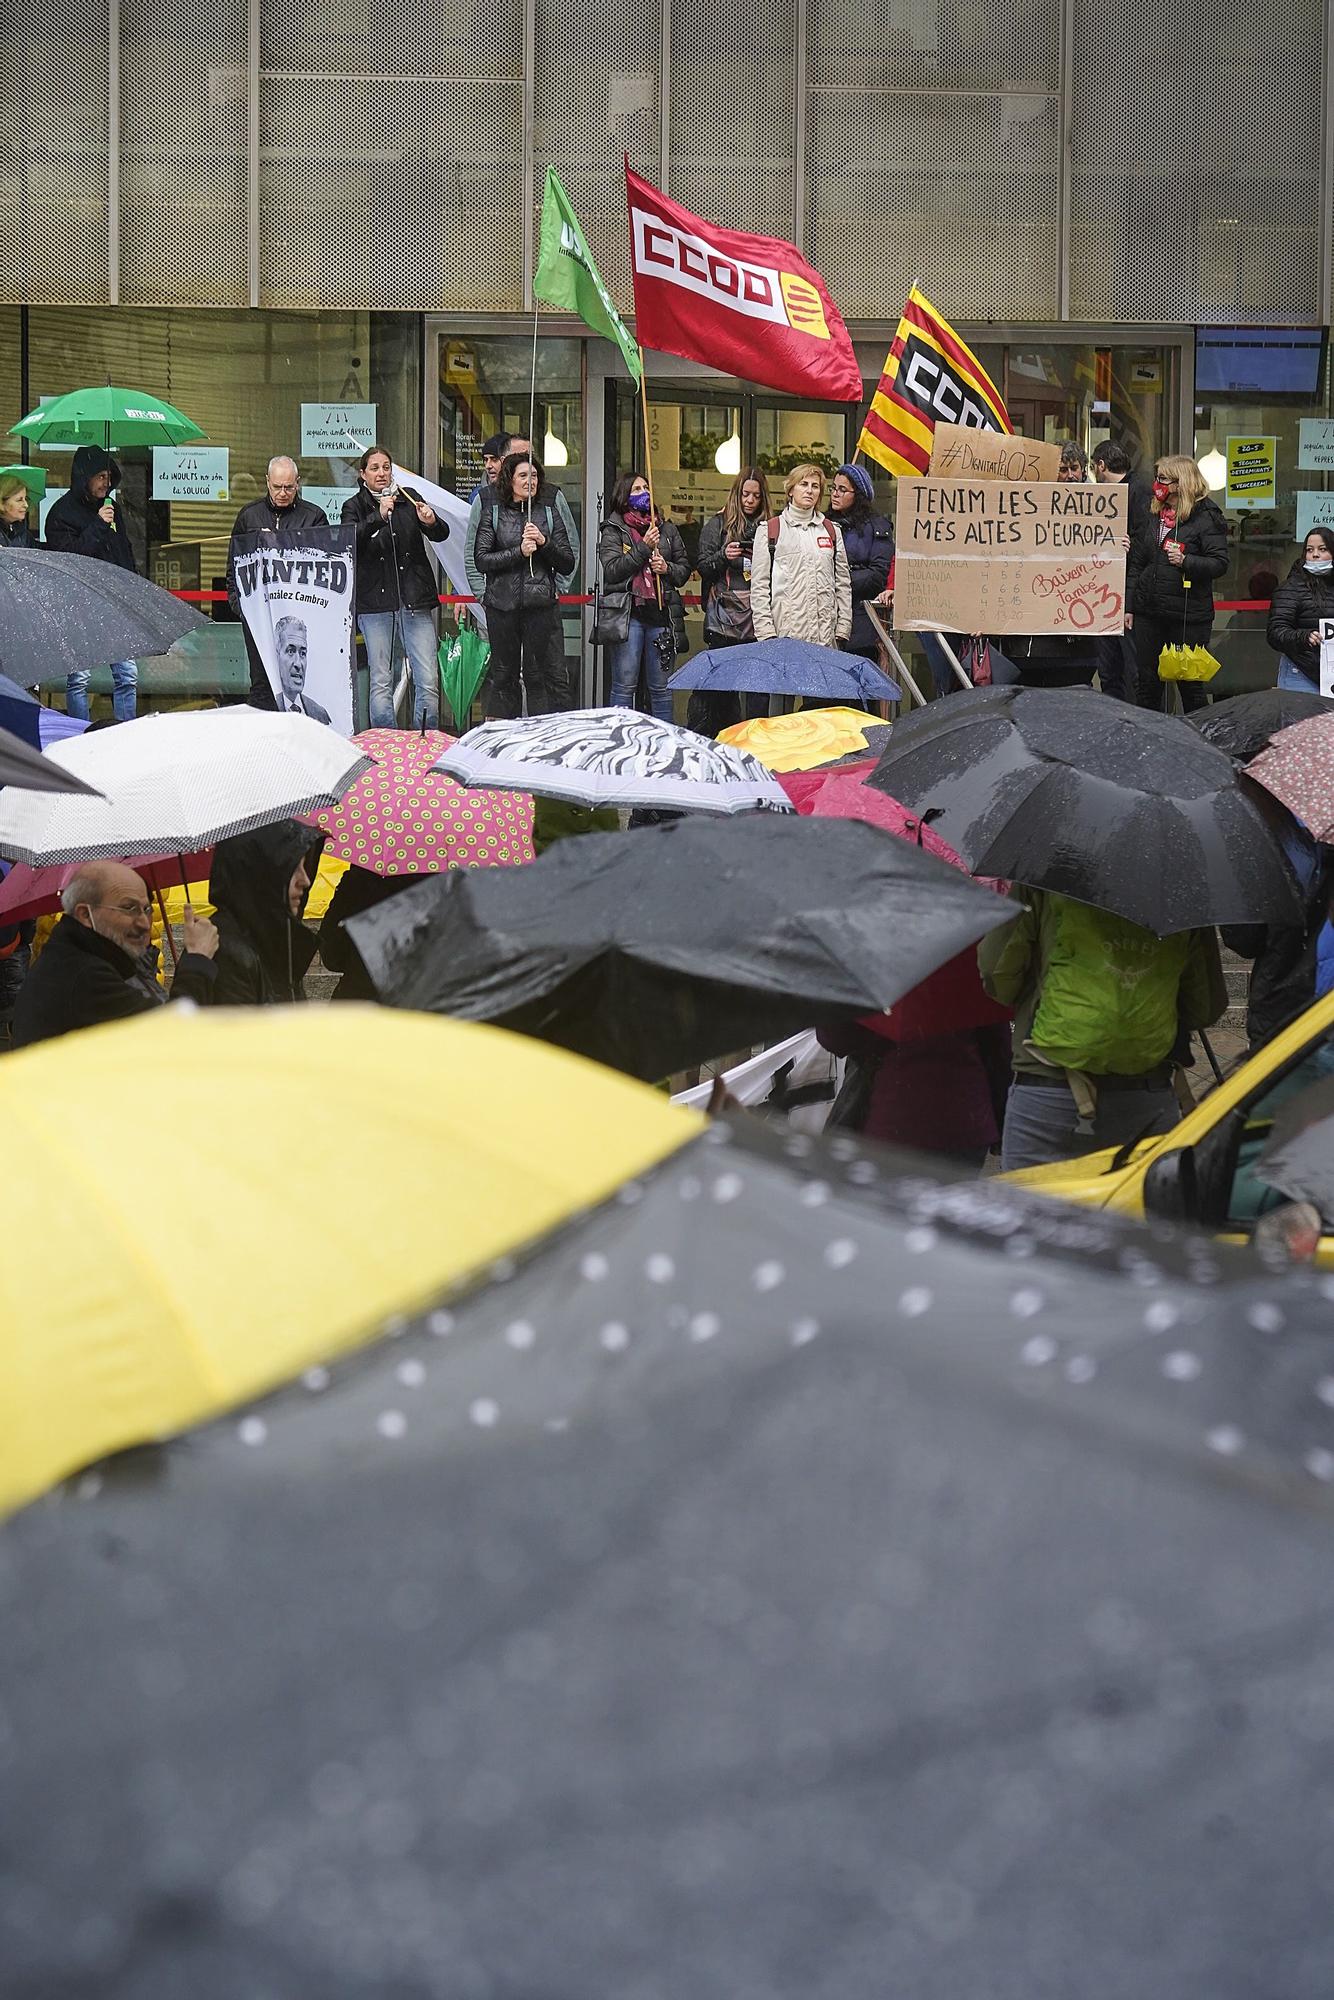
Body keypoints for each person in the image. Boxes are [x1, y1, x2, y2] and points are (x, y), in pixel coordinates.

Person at [978, 887, 1226, 1172]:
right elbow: (1205, 1006)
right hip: (1146, 1098)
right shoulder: (1184, 889)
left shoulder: (1043, 875)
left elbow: (995, 972)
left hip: (1048, 1090)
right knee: (1133, 1212)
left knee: (1033, 1212)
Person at [10, 860, 218, 1048]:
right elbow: (173, 1035)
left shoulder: (83, 953)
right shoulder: (84, 976)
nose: (144, 923)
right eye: (129, 908)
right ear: (85, 914)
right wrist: (197, 959)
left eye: (146, 909)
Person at [342, 445, 450, 730]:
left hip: (414, 599)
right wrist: (378, 515)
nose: (381, 472)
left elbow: (441, 534)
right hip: (375, 604)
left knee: (427, 676)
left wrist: (432, 521)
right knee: (381, 679)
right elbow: (349, 542)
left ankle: (425, 739)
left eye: (386, 467)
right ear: (363, 474)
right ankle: (384, 744)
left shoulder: (408, 497)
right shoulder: (354, 506)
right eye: (374, 468)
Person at [473, 450, 575, 718]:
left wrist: (543, 543)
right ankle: (504, 738)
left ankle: (544, 736)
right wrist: (519, 552)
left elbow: (567, 561)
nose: (530, 481)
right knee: (504, 676)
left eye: (534, 475)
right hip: (502, 607)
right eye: (523, 475)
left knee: (541, 675)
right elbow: (482, 559)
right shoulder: (493, 511)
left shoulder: (548, 512)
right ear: (510, 480)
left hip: (540, 607)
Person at [1125, 454, 1229, 713]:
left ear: (1181, 483)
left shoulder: (1207, 516)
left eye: (1163, 479)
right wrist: (1129, 606)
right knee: (1147, 685)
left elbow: (1219, 563)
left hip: (1187, 616)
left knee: (1190, 687)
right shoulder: (1153, 514)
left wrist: (1186, 561)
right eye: (1157, 478)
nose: (1156, 485)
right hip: (1149, 612)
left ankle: (1200, 744)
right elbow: (1138, 563)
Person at [44, 445, 139, 722]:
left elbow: (123, 548)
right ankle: (79, 731)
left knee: (127, 675)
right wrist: (97, 524)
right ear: (83, 477)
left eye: (109, 476)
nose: (105, 483)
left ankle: (126, 729)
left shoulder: (111, 508)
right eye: (99, 476)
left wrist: (131, 583)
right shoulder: (61, 513)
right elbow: (69, 558)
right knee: (79, 677)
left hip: (115, 600)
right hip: (79, 602)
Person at [226, 456, 328, 710]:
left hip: (299, 614)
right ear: (267, 483)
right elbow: (233, 566)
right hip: (259, 613)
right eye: (277, 487)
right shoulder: (249, 516)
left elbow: (324, 567)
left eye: (289, 487)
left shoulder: (314, 517)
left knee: (300, 681)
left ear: (298, 484)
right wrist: (239, 606)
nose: (283, 493)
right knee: (261, 682)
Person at [598, 473, 690, 723]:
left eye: (646, 487)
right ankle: (620, 738)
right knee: (625, 685)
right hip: (630, 616)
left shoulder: (666, 528)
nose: (643, 492)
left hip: (661, 615)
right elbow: (613, 569)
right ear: (624, 496)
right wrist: (644, 548)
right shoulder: (614, 528)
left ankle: (664, 741)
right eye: (636, 489)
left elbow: (684, 570)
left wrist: (667, 568)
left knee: (662, 688)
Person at [689, 465, 771, 737]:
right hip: (723, 621)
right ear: (736, 494)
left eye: (756, 496)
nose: (749, 501)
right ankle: (724, 743)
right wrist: (724, 555)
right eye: (745, 494)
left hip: (759, 619)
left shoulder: (770, 528)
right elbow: (703, 566)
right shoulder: (718, 524)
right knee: (723, 693)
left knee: (758, 693)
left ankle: (756, 744)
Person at [207, 820, 323, 1005]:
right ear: (263, 872)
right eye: (294, 869)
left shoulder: (277, 938)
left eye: (305, 866)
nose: (305, 880)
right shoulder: (227, 954)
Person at [464, 432, 579, 605]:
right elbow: (473, 552)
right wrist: (483, 594)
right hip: (500, 603)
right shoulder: (486, 497)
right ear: (504, 461)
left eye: (529, 456)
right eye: (519, 456)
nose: (525, 461)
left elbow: (570, 547)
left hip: (541, 603)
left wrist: (558, 588)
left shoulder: (551, 496)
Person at [750, 463, 852, 650]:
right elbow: (759, 587)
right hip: (784, 637)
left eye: (815, 486)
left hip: (825, 638)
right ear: (790, 489)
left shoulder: (831, 531)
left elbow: (843, 584)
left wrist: (843, 629)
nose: (809, 491)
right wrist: (766, 635)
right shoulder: (770, 530)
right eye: (803, 484)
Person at [1091, 441, 1152, 701]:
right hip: (1109, 593)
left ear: (1101, 466)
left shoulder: (1137, 491)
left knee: (1127, 668)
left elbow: (1146, 543)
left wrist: (1131, 545)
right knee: (1111, 667)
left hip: (1126, 595)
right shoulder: (1136, 489)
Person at [826, 463, 894, 662]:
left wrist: (839, 583)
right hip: (826, 617)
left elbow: (878, 574)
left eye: (843, 489)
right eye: (833, 488)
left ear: (859, 494)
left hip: (862, 619)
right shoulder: (823, 524)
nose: (835, 494)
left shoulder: (877, 526)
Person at [1266, 526, 1334, 694]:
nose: (1315, 554)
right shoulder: (1290, 588)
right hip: (1300, 673)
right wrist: (1304, 636)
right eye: (1309, 550)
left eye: (1322, 549)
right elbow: (1275, 632)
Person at [272, 616, 331, 724]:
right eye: (290, 651)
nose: (298, 664)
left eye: (302, 653)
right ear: (277, 654)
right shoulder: (266, 709)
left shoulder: (320, 714)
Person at [0, 474, 36, 547]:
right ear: (1, 503)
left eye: (26, 499)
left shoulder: (23, 533)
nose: (26, 505)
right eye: (19, 500)